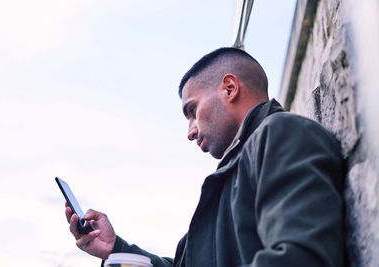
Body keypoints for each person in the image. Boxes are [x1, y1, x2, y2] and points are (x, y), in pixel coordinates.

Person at [65, 47, 345, 266]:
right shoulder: (231, 175)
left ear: (229, 88)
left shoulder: (282, 134)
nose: (190, 131)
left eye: (192, 110)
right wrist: (116, 249)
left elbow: (302, 258)